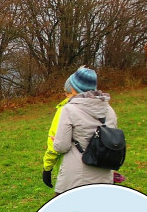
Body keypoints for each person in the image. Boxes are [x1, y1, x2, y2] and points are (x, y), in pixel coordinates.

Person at [42, 66, 119, 194]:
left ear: (73, 88)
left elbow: (61, 146)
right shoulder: (109, 110)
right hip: (104, 176)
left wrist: (48, 164)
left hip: (75, 178)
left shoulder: (69, 109)